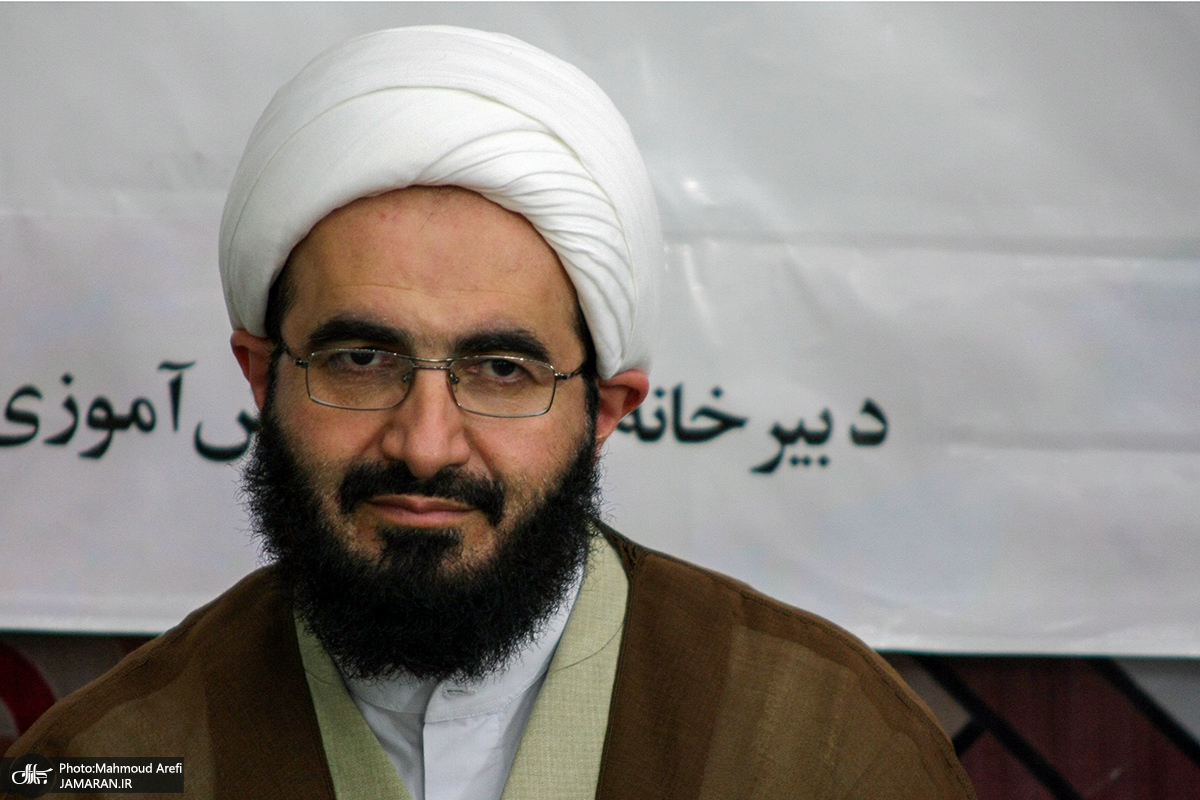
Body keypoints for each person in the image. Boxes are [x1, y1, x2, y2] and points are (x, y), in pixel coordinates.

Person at [5, 26, 975, 800]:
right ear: (261, 376)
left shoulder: (826, 747)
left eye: (502, 369)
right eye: (360, 359)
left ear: (606, 407)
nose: (426, 444)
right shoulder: (102, 764)